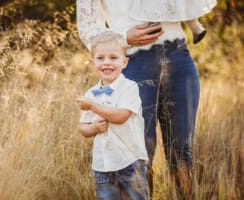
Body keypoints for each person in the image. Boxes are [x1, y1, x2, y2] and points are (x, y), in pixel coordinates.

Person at [76, 0, 217, 199]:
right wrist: (123, 38)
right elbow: (86, 25)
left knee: (182, 152)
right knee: (140, 153)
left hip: (178, 54)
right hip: (133, 59)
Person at [76, 31, 150, 200]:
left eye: (113, 58)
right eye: (100, 58)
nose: (106, 63)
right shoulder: (90, 94)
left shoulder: (129, 88)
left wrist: (94, 106)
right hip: (103, 164)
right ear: (92, 62)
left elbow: (120, 117)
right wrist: (93, 128)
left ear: (124, 62)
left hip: (130, 161)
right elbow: (83, 128)